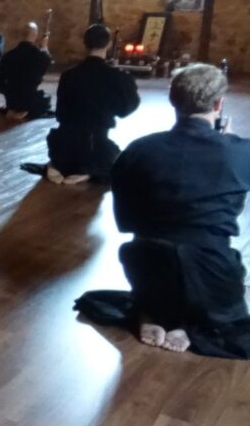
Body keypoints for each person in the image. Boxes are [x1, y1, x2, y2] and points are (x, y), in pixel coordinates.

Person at [75, 64, 250, 358]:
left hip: (146, 265)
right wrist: (229, 144)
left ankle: (152, 313)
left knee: (161, 271)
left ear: (172, 99)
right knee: (229, 304)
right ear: (219, 105)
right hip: (210, 269)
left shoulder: (138, 150)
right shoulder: (240, 152)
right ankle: (192, 327)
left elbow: (125, 221)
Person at [44, 24, 140, 184]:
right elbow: (126, 110)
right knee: (125, 166)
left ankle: (62, 166)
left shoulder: (69, 75)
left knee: (70, 154)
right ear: (109, 44)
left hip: (64, 144)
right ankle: (90, 171)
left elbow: (61, 112)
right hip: (96, 142)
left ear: (84, 43)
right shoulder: (118, 77)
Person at [0, 22, 54, 120]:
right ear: (34, 35)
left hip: (12, 100)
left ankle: (13, 111)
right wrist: (44, 47)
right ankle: (26, 112)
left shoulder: (8, 55)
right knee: (46, 99)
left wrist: (8, 94)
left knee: (20, 101)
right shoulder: (39, 55)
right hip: (29, 97)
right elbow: (46, 65)